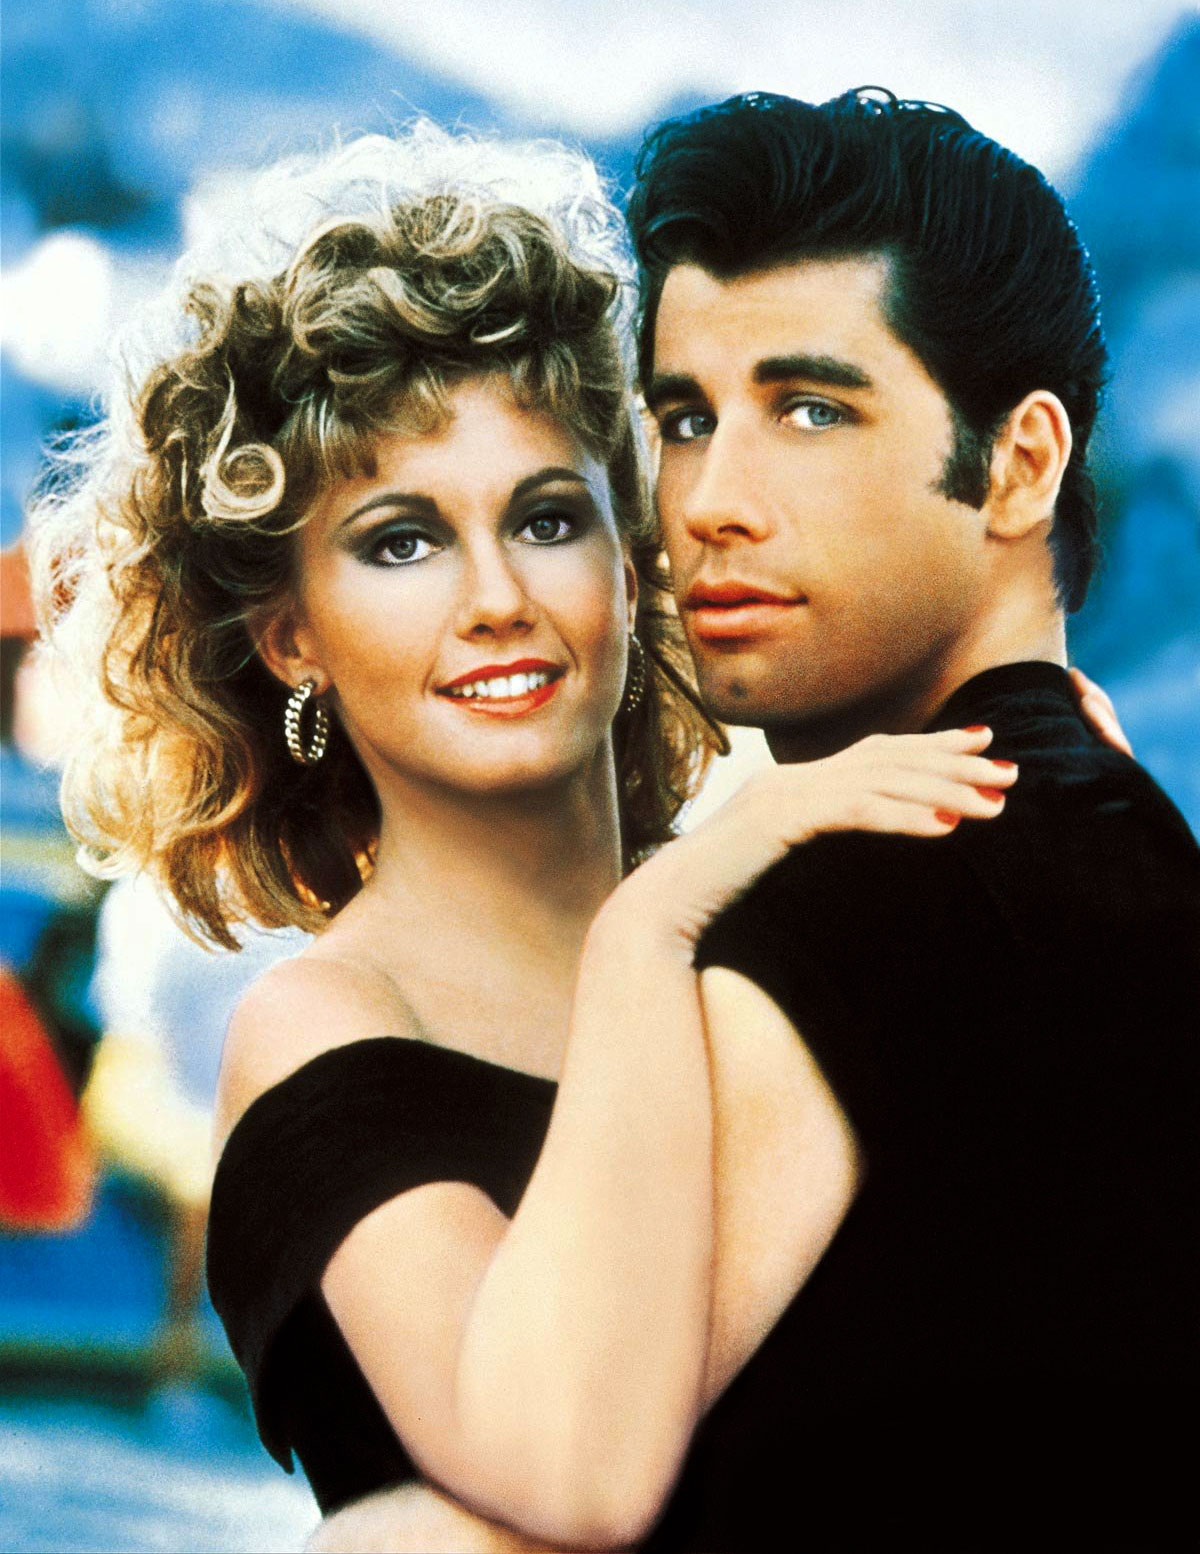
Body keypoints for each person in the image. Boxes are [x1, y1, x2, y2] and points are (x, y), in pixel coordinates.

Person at [28, 123, 1027, 1553]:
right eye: (401, 540)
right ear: (290, 634)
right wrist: (652, 931)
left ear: (631, 555)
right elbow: (577, 1476)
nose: (497, 596)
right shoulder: (326, 1026)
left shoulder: (802, 931)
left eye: (549, 518)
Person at [623, 87, 1200, 1549]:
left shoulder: (847, 913)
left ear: (1020, 464)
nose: (711, 501)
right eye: (685, 419)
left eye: (812, 410)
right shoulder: (1134, 845)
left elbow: (553, 1496)